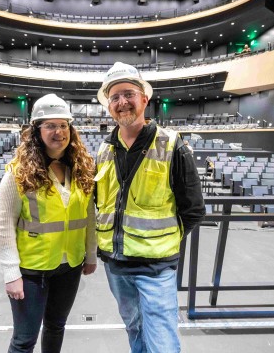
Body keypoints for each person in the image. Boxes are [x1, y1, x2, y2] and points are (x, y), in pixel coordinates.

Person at [95, 62, 206, 353]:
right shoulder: (104, 150)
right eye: (115, 97)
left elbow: (193, 209)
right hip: (116, 265)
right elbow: (101, 202)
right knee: (135, 329)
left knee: (162, 341)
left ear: (144, 98)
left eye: (128, 94)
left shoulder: (171, 144)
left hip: (155, 268)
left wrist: (162, 242)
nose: (122, 102)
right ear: (109, 106)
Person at [0, 94, 97, 353]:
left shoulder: (82, 168)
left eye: (64, 125)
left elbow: (88, 215)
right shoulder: (18, 171)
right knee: (24, 340)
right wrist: (11, 273)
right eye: (50, 125)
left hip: (70, 265)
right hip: (32, 270)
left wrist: (91, 255)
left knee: (56, 327)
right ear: (36, 130)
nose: (59, 132)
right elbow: (5, 223)